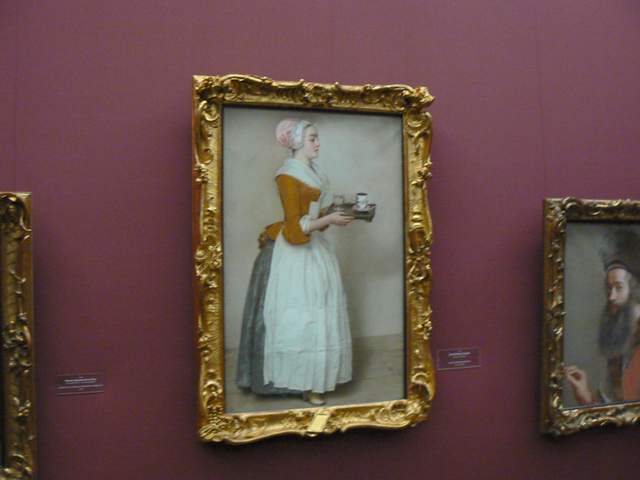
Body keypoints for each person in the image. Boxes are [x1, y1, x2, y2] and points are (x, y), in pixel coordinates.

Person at [236, 118, 354, 406]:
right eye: (312, 138)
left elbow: (312, 216)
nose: (318, 143)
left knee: (320, 313)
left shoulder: (314, 172)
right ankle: (302, 383)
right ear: (299, 142)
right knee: (299, 316)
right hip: (293, 253)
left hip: (315, 249)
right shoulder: (287, 176)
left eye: (317, 138)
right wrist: (329, 219)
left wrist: (334, 212)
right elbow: (294, 227)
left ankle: (316, 380)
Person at [565, 229, 640, 405]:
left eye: (618, 287)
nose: (611, 297)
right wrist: (585, 394)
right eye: (608, 287)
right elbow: (614, 407)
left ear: (635, 290)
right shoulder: (622, 336)